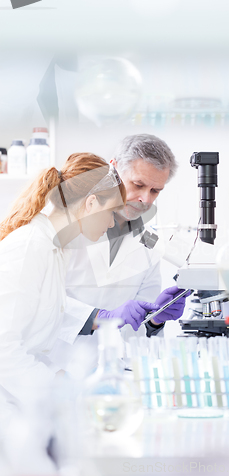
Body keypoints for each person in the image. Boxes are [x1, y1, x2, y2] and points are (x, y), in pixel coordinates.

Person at [0, 152, 166, 426]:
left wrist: (67, 380)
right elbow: (3, 349)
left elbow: (34, 344)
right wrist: (60, 391)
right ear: (91, 203)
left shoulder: (54, 248)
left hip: (24, 407)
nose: (112, 223)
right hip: (9, 413)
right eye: (111, 213)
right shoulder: (30, 246)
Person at [54, 134, 187, 369]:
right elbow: (38, 302)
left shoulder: (149, 245)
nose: (145, 199)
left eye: (156, 191)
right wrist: (99, 317)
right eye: (138, 185)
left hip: (110, 376)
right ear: (113, 169)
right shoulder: (68, 223)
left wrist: (155, 320)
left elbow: (136, 332)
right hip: (54, 369)